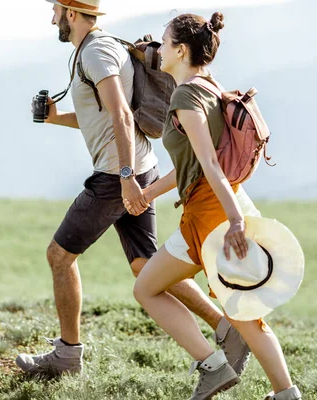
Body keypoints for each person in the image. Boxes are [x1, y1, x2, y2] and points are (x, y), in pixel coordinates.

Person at [15, 0, 251, 380]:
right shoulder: (94, 50)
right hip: (140, 168)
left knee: (59, 255)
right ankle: (227, 329)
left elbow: (122, 113)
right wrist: (57, 118)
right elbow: (106, 118)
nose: (52, 18)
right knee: (145, 265)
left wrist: (124, 177)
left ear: (70, 13)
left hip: (116, 176)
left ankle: (67, 356)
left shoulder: (95, 52)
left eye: (56, 10)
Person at [129, 11, 302, 400]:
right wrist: (147, 195)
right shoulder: (208, 87)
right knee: (148, 287)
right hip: (205, 210)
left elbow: (209, 163)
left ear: (179, 49)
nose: (157, 47)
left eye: (163, 40)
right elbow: (191, 164)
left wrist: (236, 221)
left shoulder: (186, 95)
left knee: (245, 316)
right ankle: (217, 367)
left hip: (215, 215)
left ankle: (275, 390)